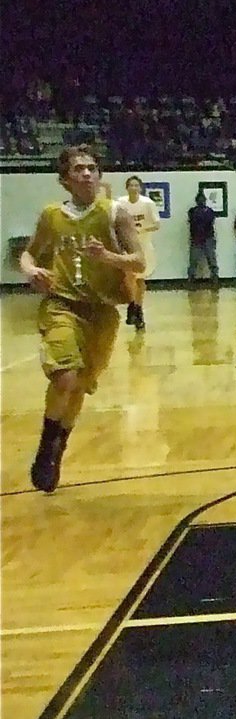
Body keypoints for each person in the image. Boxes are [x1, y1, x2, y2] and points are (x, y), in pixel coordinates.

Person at [18, 145, 144, 492]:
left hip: (102, 311)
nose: (87, 173)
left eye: (91, 168)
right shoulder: (51, 216)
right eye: (79, 169)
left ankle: (59, 445)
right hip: (62, 304)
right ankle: (46, 443)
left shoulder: (113, 213)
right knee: (64, 376)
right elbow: (28, 254)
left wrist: (107, 256)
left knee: (80, 388)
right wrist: (31, 270)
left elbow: (138, 261)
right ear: (65, 179)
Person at [114, 175, 160, 331]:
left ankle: (138, 308)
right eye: (131, 185)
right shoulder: (120, 203)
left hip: (144, 245)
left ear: (140, 188)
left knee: (140, 279)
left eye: (136, 185)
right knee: (129, 277)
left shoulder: (148, 203)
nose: (133, 188)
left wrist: (141, 229)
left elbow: (156, 224)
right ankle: (132, 305)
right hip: (127, 245)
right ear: (127, 188)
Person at [187, 192, 218, 283]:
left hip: (206, 238)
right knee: (193, 261)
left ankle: (214, 277)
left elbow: (210, 221)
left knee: (211, 259)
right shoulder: (193, 211)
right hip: (197, 239)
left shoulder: (207, 211)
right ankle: (191, 278)